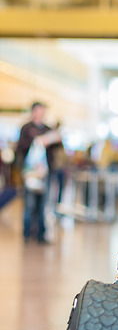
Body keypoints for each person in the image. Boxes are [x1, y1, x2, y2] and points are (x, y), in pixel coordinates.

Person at [16, 102, 51, 243]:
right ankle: (27, 233)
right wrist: (36, 141)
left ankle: (41, 234)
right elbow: (21, 147)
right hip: (30, 172)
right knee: (29, 204)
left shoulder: (48, 129)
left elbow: (55, 151)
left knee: (43, 205)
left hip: (44, 173)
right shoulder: (26, 128)